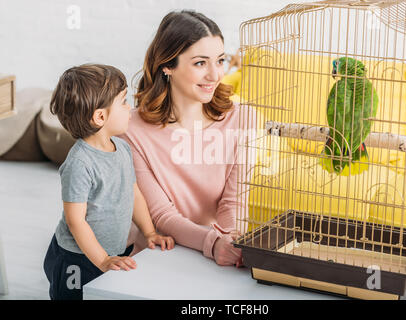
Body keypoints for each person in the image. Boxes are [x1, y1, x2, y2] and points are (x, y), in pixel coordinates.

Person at [122, 10, 256, 267]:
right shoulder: (130, 130)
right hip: (157, 255)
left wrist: (231, 241)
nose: (215, 75)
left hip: (214, 256)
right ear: (167, 66)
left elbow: (234, 201)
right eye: (200, 63)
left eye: (220, 60)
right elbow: (161, 215)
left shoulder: (243, 117)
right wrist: (214, 243)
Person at [43, 64, 175, 300]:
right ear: (100, 116)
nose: (129, 108)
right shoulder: (79, 164)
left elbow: (133, 193)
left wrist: (150, 232)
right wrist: (102, 260)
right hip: (77, 259)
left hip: (113, 250)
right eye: (123, 102)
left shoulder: (122, 148)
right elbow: (76, 222)